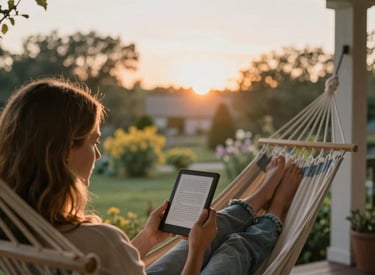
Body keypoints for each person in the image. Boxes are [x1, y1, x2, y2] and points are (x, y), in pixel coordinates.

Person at [0, 78, 302, 275]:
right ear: (64, 150)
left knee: (197, 237)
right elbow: (105, 252)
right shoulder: (99, 239)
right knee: (232, 249)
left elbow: (105, 265)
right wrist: (197, 251)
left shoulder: (14, 227)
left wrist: (148, 238)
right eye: (94, 141)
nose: (98, 154)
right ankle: (274, 213)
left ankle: (256, 198)